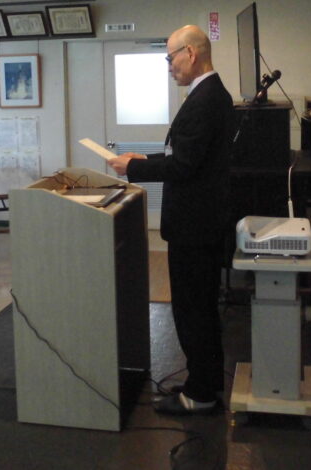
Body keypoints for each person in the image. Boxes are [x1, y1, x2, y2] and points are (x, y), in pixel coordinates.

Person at [108, 25, 233, 416]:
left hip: (195, 227)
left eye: (170, 57)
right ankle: (202, 382)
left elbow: (184, 165)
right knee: (197, 308)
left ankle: (201, 393)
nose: (168, 66)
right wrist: (143, 160)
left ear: (190, 53)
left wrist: (132, 168)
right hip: (200, 224)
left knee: (194, 310)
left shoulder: (207, 98)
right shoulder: (209, 94)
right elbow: (185, 155)